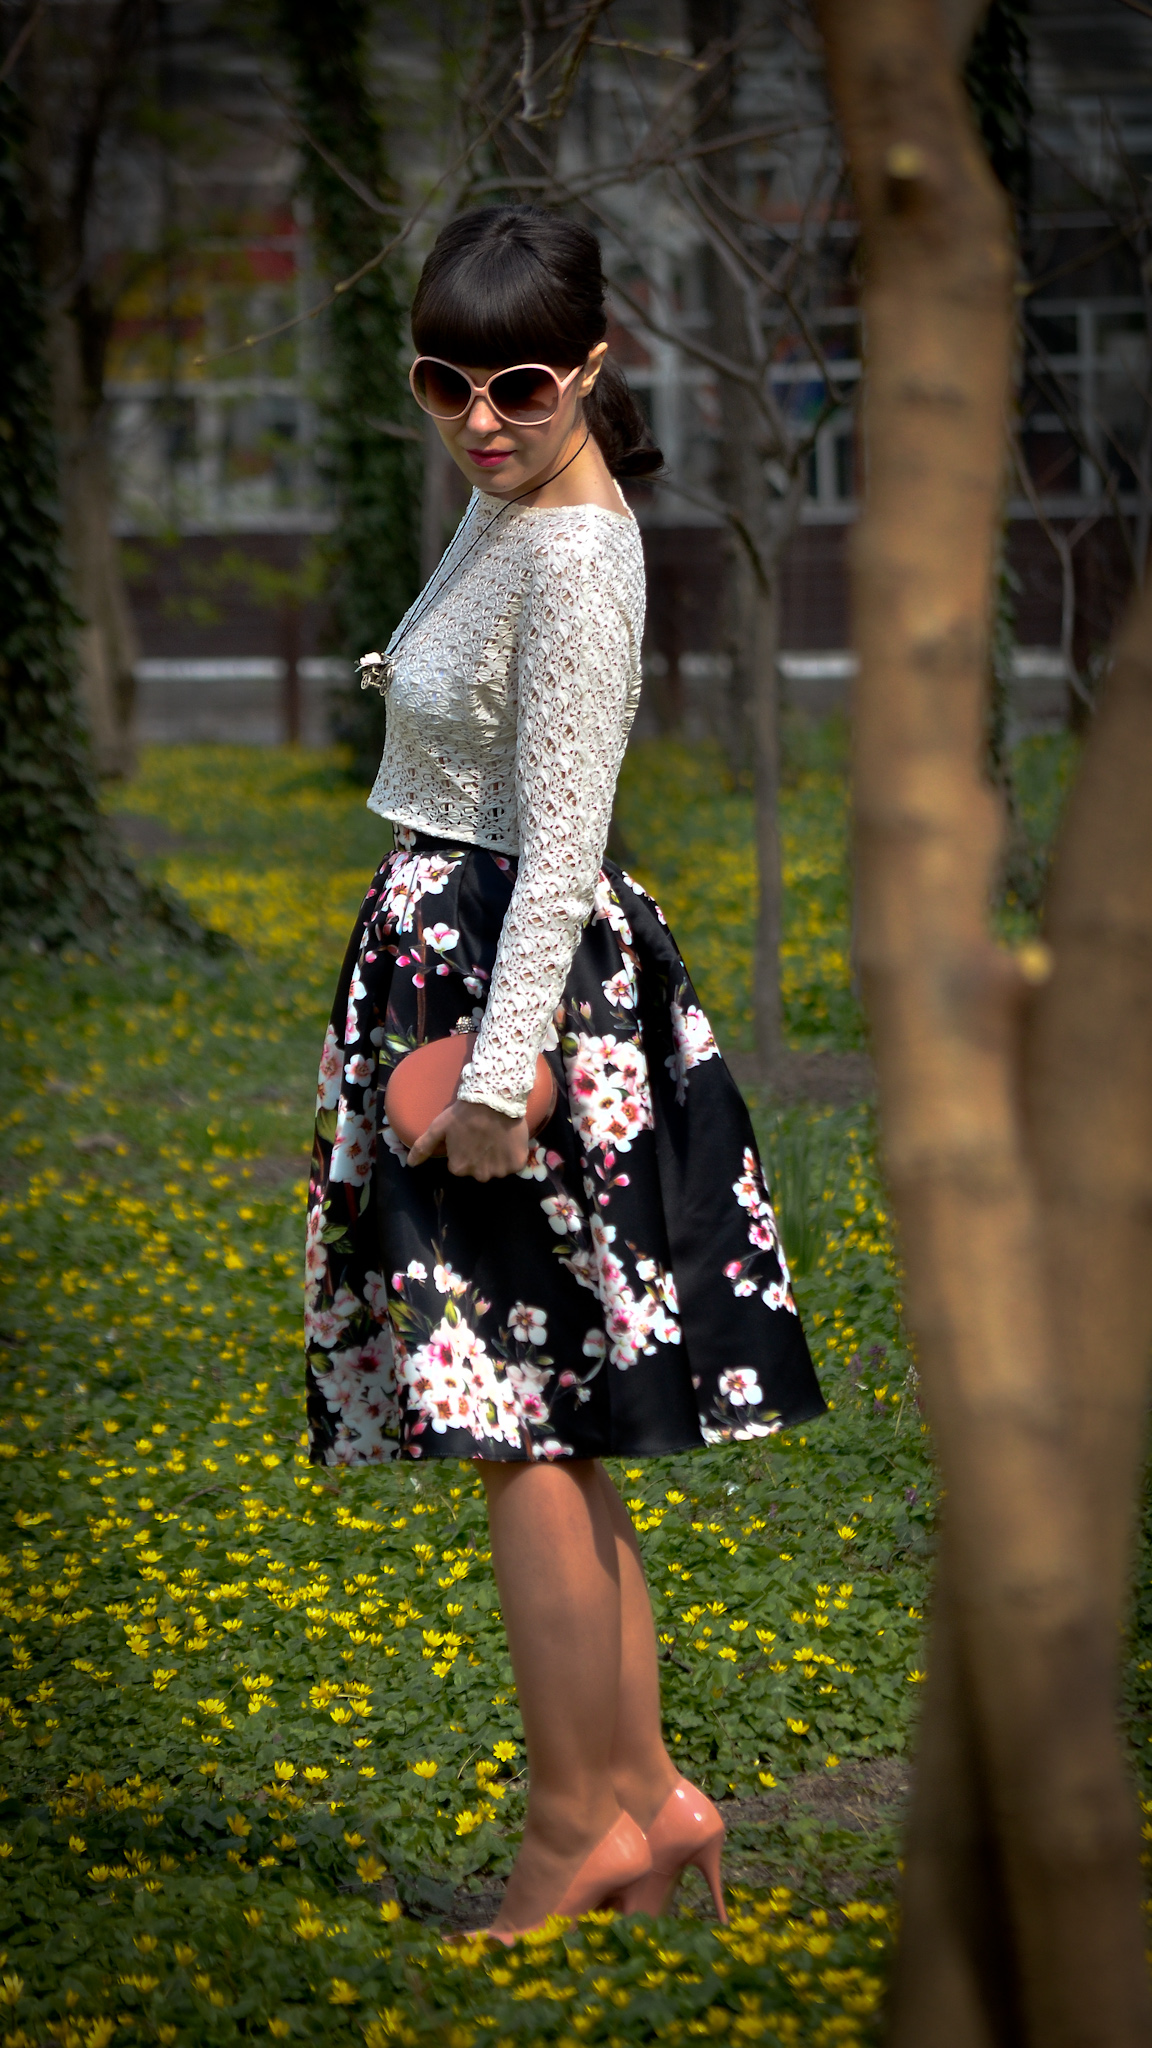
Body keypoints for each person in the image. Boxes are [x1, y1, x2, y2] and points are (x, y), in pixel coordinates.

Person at [304, 206, 825, 1938]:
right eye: (443, 380)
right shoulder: (506, 502)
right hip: (470, 972)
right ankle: (651, 1801)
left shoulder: (579, 554)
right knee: (556, 1435)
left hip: (510, 999)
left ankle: (567, 1836)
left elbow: (568, 836)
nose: (478, 415)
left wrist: (493, 1071)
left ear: (593, 366)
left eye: (518, 383)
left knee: (515, 1432)